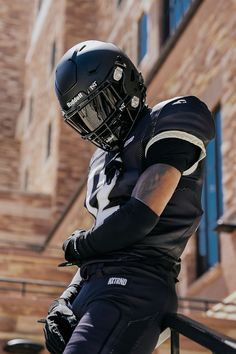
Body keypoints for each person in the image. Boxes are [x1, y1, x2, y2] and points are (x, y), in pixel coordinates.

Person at [43, 40, 215, 354]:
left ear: (127, 83)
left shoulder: (172, 115)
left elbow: (140, 216)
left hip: (135, 282)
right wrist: (66, 299)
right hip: (95, 285)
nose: (98, 122)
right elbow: (105, 235)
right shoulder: (100, 159)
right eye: (87, 116)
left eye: (101, 104)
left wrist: (81, 244)